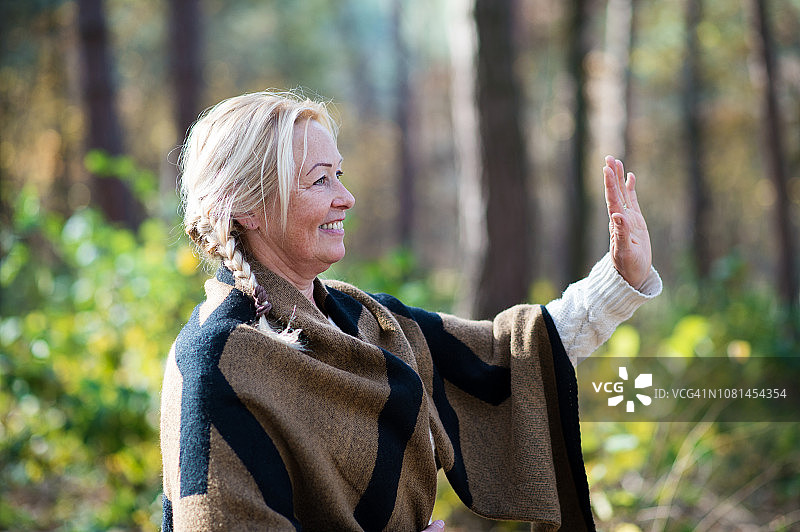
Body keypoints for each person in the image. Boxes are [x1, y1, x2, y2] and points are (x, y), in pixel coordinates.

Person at [160, 90, 661, 531]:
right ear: (245, 206)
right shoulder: (216, 362)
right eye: (319, 181)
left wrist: (619, 278)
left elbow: (505, 359)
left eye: (340, 175)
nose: (347, 198)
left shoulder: (363, 321)